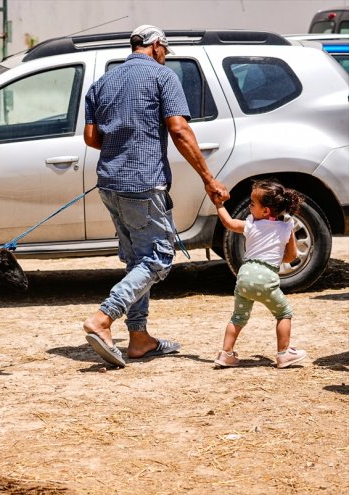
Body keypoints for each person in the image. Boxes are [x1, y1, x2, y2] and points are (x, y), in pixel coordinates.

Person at [82, 24, 229, 367]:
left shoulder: (102, 82)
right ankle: (104, 318)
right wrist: (209, 179)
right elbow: (178, 129)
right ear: (156, 45)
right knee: (159, 258)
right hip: (144, 184)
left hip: (110, 183)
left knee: (138, 261)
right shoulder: (163, 78)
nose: (166, 56)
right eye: (165, 50)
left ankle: (139, 338)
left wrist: (121, 147)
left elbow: (91, 137)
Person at [213, 179, 307, 369]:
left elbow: (229, 222)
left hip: (244, 275)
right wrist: (275, 256)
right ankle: (284, 354)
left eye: (252, 203)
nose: (249, 206)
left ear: (265, 211)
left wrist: (219, 204)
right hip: (266, 277)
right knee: (284, 313)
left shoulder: (251, 225)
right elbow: (291, 256)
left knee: (238, 317)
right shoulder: (286, 228)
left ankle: (226, 354)